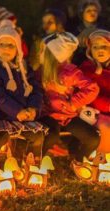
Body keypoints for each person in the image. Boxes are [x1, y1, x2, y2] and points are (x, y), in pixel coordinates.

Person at [0, 24, 45, 164]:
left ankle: (30, 165)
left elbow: (36, 88)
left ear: (18, 49)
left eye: (11, 45)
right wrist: (17, 111)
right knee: (0, 136)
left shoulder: (23, 67)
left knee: (37, 135)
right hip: (2, 115)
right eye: (2, 44)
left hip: (23, 115)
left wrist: (33, 108)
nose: (6, 48)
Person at [39, 32, 100, 164]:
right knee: (52, 136)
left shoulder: (70, 72)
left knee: (92, 138)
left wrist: (73, 103)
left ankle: (78, 160)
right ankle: (36, 162)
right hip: (47, 115)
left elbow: (92, 88)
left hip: (67, 116)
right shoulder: (40, 72)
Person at [80, 29, 110, 152]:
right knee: (106, 128)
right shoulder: (87, 69)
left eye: (104, 46)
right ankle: (102, 161)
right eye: (95, 47)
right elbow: (91, 96)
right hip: (94, 113)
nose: (100, 50)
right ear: (90, 51)